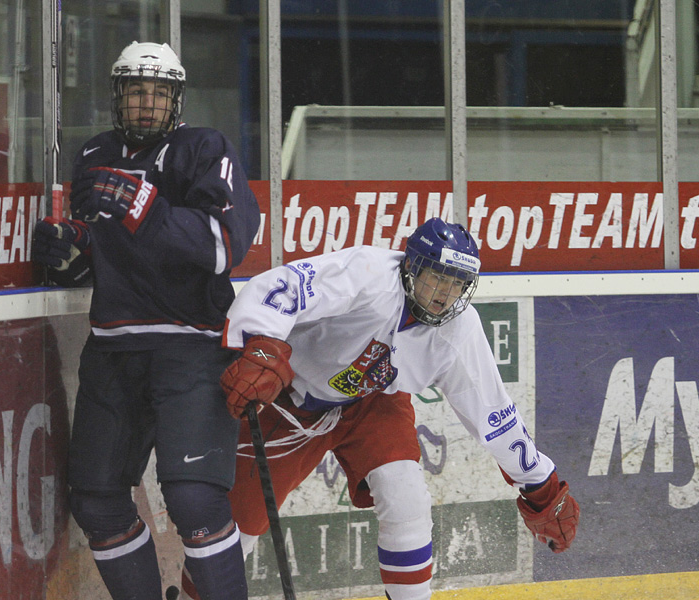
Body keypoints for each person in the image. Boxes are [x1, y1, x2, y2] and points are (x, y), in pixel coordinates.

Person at [184, 218, 579, 600]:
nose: (446, 293)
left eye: (458, 284)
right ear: (411, 266)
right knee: (234, 534)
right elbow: (282, 287)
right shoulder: (369, 273)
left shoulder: (458, 328)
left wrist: (541, 486)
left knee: (406, 496)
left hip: (372, 403)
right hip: (289, 402)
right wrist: (260, 343)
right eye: (439, 277)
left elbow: (493, 414)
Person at [31, 42, 260, 600]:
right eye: (136, 91)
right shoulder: (93, 155)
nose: (147, 103)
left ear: (176, 99)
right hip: (112, 349)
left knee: (194, 501)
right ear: (118, 96)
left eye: (159, 92)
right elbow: (102, 253)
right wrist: (72, 249)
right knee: (97, 500)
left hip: (194, 347)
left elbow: (224, 246)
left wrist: (141, 205)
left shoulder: (205, 149)